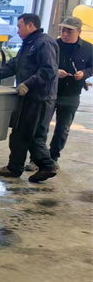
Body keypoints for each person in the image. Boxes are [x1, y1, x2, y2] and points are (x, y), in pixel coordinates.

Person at [0, 13, 57, 183]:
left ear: (30, 26)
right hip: (28, 98)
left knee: (31, 135)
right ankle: (14, 168)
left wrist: (28, 84)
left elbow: (49, 70)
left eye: (20, 26)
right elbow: (13, 65)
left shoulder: (44, 43)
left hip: (40, 98)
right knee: (20, 134)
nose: (18, 30)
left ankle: (47, 166)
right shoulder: (29, 44)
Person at [24, 16, 93, 171]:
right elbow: (40, 65)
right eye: (63, 30)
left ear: (79, 31)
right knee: (41, 127)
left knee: (63, 129)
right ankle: (36, 159)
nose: (65, 34)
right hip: (50, 93)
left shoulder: (89, 49)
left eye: (69, 31)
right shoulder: (53, 45)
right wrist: (55, 72)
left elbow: (92, 66)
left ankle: (53, 157)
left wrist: (84, 73)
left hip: (71, 94)